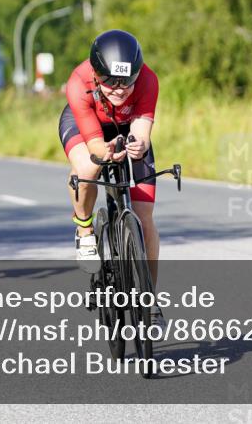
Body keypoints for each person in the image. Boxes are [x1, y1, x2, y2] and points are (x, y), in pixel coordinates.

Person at [58, 29, 163, 323]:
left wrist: (138, 145)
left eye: (127, 81)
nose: (119, 89)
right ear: (96, 73)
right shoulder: (78, 83)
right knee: (88, 169)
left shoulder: (148, 80)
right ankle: (84, 230)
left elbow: (141, 132)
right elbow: (94, 145)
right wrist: (105, 152)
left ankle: (150, 300)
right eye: (109, 81)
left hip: (127, 126)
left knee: (145, 218)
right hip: (86, 125)